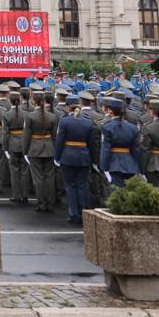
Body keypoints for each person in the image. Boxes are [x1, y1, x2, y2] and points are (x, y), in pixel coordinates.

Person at [55, 96, 98, 225]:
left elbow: (59, 141)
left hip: (68, 156)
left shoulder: (65, 121)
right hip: (84, 156)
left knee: (70, 186)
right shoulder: (88, 121)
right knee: (83, 185)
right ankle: (84, 212)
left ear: (68, 107)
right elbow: (92, 144)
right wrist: (92, 158)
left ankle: (74, 213)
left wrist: (57, 157)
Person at [22, 88, 58, 213]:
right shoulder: (52, 116)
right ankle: (49, 202)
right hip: (49, 148)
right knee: (49, 177)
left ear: (33, 100)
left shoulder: (30, 116)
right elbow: (54, 137)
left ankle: (42, 202)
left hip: (35, 148)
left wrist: (25, 151)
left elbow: (26, 136)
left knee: (38, 178)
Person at [99, 98, 141, 189]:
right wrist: (138, 165)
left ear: (110, 110)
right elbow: (136, 149)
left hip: (114, 164)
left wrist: (104, 167)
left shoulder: (106, 127)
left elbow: (106, 149)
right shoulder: (133, 128)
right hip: (130, 163)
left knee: (117, 193)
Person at [2, 90, 28, 203]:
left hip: (12, 144)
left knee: (14, 171)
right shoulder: (26, 114)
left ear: (10, 101)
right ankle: (25, 194)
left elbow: (5, 133)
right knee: (24, 171)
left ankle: (16, 194)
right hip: (23, 143)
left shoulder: (6, 115)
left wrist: (5, 148)